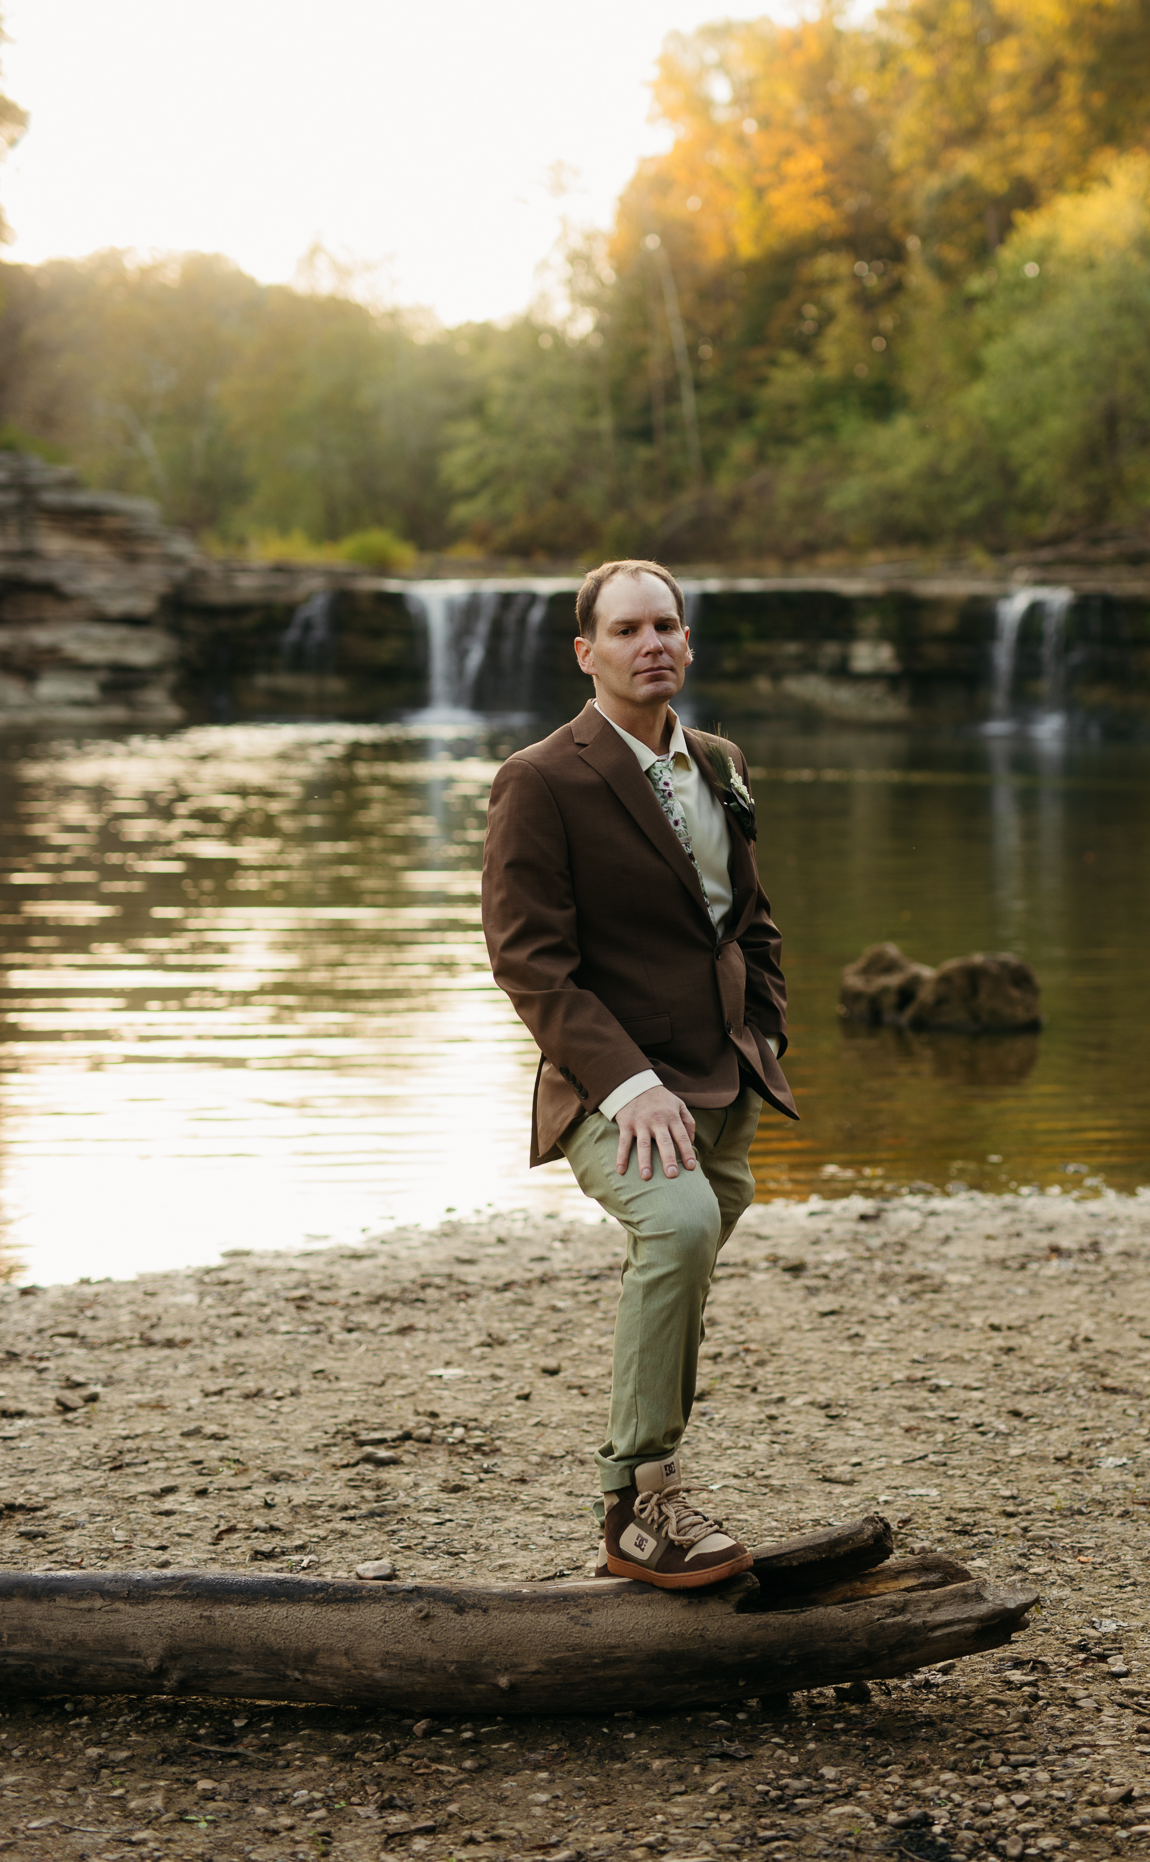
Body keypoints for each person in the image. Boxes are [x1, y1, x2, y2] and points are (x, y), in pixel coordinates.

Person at [481, 558, 796, 1588]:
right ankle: (639, 1502)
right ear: (588, 652)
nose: (650, 642)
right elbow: (530, 959)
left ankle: (649, 1491)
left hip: (724, 1072)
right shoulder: (542, 776)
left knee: (686, 1258)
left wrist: (768, 1029)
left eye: (666, 624)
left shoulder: (719, 759)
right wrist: (625, 1085)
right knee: (680, 1227)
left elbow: (748, 917)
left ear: (688, 641)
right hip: (613, 1083)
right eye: (626, 629)